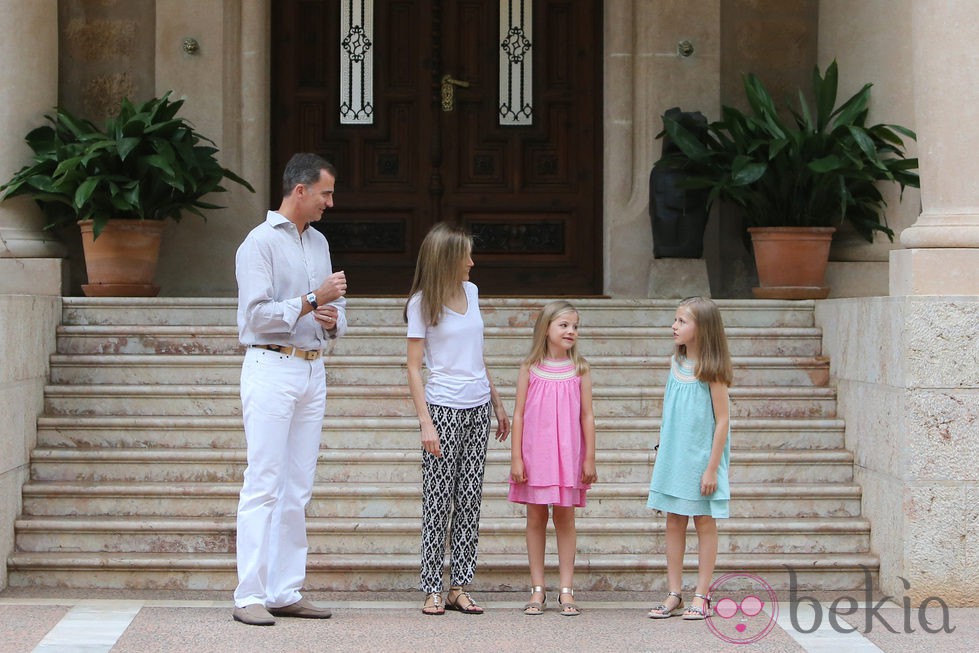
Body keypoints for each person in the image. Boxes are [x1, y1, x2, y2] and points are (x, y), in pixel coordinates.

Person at [232, 153, 348, 626]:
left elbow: (335, 305)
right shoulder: (257, 244)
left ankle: (284, 590)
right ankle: (249, 595)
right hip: (271, 366)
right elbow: (255, 316)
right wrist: (310, 301)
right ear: (299, 191)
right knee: (264, 481)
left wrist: (332, 317)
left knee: (297, 487)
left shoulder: (318, 242)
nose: (330, 203)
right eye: (326, 193)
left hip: (311, 369)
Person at [405, 222, 510, 616]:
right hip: (443, 407)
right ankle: (432, 586)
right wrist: (425, 422)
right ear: (446, 259)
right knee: (437, 500)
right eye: (464, 255)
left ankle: (459, 585)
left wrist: (497, 402)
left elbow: (477, 354)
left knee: (469, 500)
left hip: (478, 404)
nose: (471, 261)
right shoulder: (421, 303)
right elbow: (414, 368)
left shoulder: (472, 292)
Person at [508, 301, 597, 617]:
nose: (571, 331)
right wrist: (516, 457)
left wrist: (589, 458)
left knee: (565, 518)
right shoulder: (529, 368)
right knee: (535, 518)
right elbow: (518, 414)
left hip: (568, 456)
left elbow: (587, 416)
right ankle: (537, 588)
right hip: (536, 456)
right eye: (564, 325)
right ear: (546, 328)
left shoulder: (580, 369)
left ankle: (566, 590)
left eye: (575, 326)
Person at [646, 296, 732, 621]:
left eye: (682, 321)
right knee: (673, 520)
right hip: (674, 457)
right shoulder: (675, 364)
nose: (674, 326)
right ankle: (674, 593)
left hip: (701, 461)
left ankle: (702, 595)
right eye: (675, 319)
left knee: (704, 522)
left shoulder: (711, 371)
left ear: (702, 328)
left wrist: (712, 468)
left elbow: (722, 420)